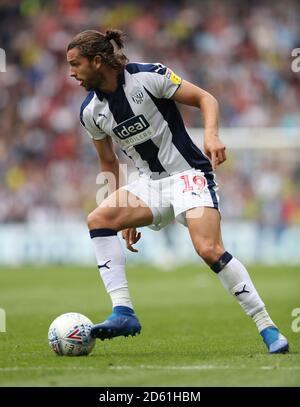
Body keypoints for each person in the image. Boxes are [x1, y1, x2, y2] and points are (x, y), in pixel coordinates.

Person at [66, 29, 288, 354]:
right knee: (99, 219)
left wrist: (211, 135)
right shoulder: (91, 112)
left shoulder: (147, 77)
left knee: (209, 249)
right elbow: (108, 162)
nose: (71, 73)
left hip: (188, 177)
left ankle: (267, 326)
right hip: (149, 184)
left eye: (76, 64)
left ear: (98, 61)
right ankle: (123, 311)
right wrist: (123, 212)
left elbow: (205, 99)